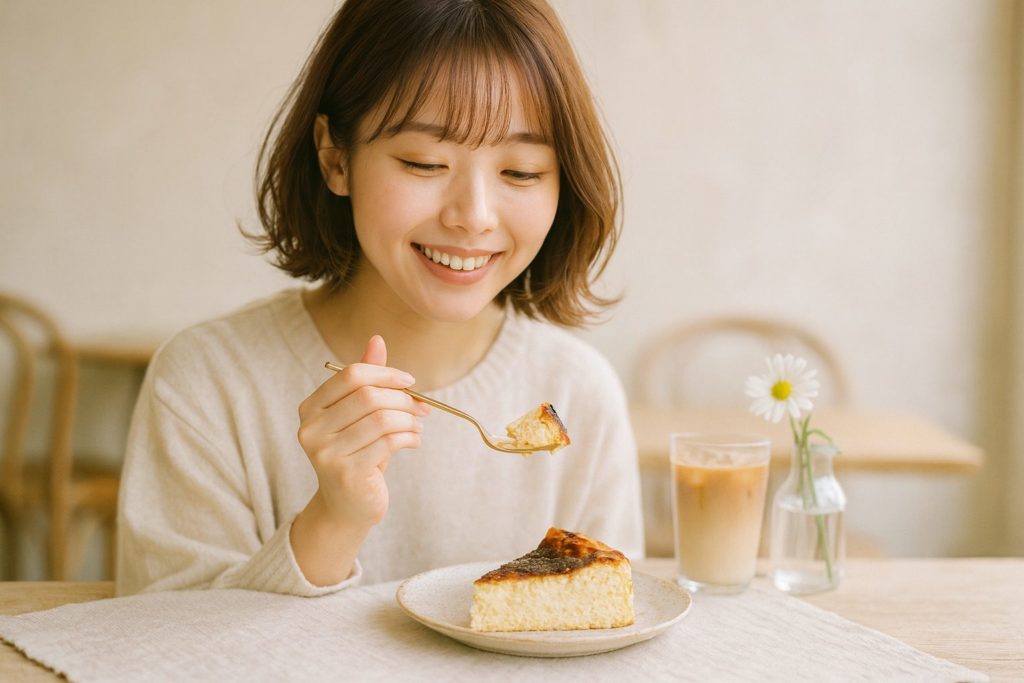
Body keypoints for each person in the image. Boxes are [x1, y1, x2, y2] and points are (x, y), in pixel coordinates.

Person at [116, 0, 643, 596]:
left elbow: (605, 620)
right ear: (335, 158)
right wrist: (334, 521)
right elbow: (164, 638)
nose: (473, 216)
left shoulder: (578, 394)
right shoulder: (207, 381)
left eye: (521, 172)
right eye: (425, 162)